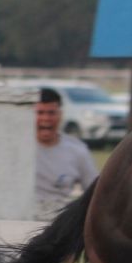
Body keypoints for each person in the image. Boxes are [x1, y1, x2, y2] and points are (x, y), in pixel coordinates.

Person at [35, 87, 98, 220]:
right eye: (40, 113)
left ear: (60, 115)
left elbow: (95, 193)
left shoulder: (77, 150)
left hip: (56, 223)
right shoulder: (15, 149)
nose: (45, 118)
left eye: (51, 113)